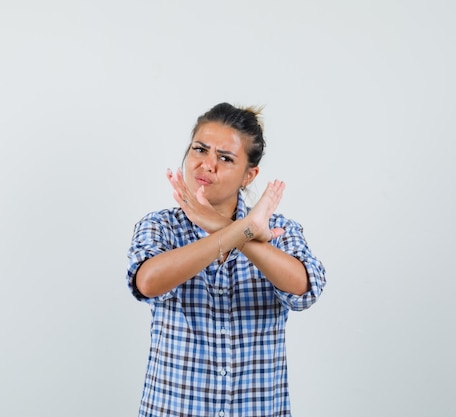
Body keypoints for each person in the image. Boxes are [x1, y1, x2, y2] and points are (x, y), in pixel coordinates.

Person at [126, 102, 326, 417]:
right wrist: (243, 231)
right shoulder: (160, 225)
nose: (207, 165)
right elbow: (148, 282)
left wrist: (228, 229)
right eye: (199, 150)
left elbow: (304, 289)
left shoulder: (278, 229)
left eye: (225, 158)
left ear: (249, 175)